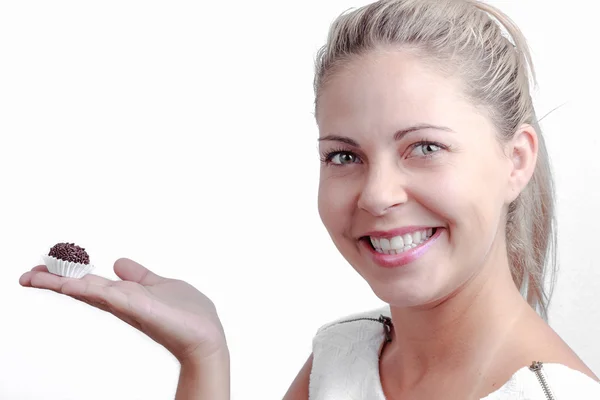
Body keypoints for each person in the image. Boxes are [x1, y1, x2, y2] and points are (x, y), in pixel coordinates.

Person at [19, 0, 600, 399]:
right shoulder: (346, 354)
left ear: (515, 161)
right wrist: (206, 356)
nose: (376, 195)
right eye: (344, 156)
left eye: (424, 147)